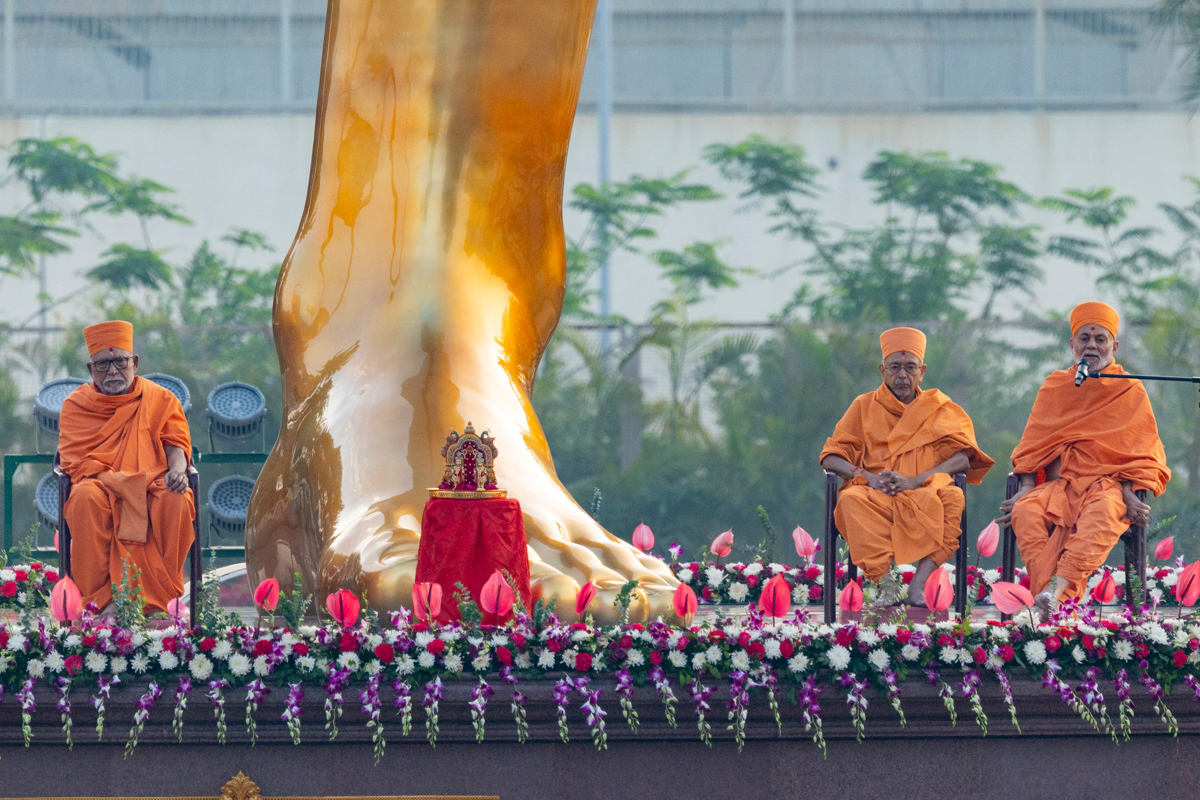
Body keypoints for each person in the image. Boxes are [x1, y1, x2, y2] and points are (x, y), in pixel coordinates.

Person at [1000, 302, 1170, 616]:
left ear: (1114, 346)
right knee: (1025, 511)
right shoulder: (1055, 386)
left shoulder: (1130, 389)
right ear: (1072, 345)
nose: (1091, 345)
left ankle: (1050, 595)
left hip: (1107, 488)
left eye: (1100, 339)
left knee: (1103, 513)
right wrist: (1025, 487)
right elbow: (1031, 448)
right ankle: (1054, 602)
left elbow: (1141, 451)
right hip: (1058, 487)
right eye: (1084, 338)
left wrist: (1130, 492)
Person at [820, 328, 994, 606]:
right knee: (851, 500)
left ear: (922, 372)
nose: (902, 375)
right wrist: (868, 478)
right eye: (895, 367)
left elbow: (963, 458)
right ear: (882, 370)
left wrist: (915, 481)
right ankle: (887, 584)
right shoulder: (863, 406)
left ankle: (918, 585)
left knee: (953, 497)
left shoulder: (939, 408)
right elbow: (830, 457)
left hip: (921, 490)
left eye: (910, 367)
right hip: (874, 492)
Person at [58, 320, 195, 618]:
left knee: (177, 499)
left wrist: (177, 471)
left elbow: (176, 442)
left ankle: (160, 601)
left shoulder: (160, 398)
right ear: (90, 369)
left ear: (134, 362)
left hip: (152, 482)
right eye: (103, 365)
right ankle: (99, 603)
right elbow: (74, 462)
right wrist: (120, 483)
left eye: (119, 362)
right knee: (83, 498)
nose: (112, 372)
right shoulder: (76, 405)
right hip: (98, 483)